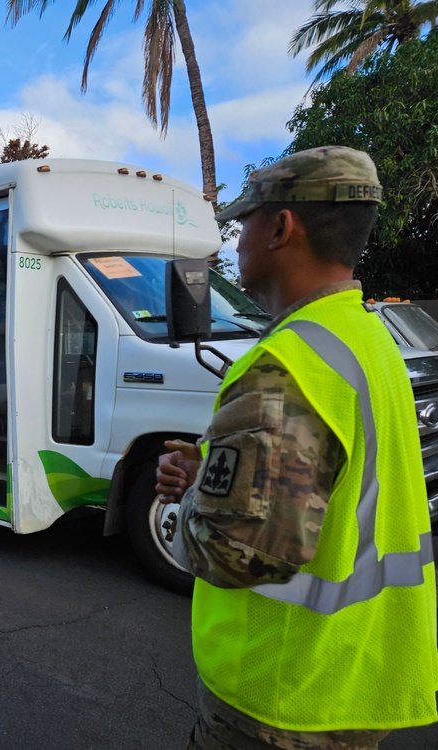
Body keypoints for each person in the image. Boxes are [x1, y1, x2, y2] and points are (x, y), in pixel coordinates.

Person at [156, 146, 438, 749]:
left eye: (244, 225)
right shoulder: (369, 338)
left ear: (282, 227)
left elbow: (238, 553)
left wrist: (190, 511)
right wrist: (214, 473)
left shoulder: (288, 365)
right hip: (354, 671)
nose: (235, 244)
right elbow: (328, 486)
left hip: (281, 696)